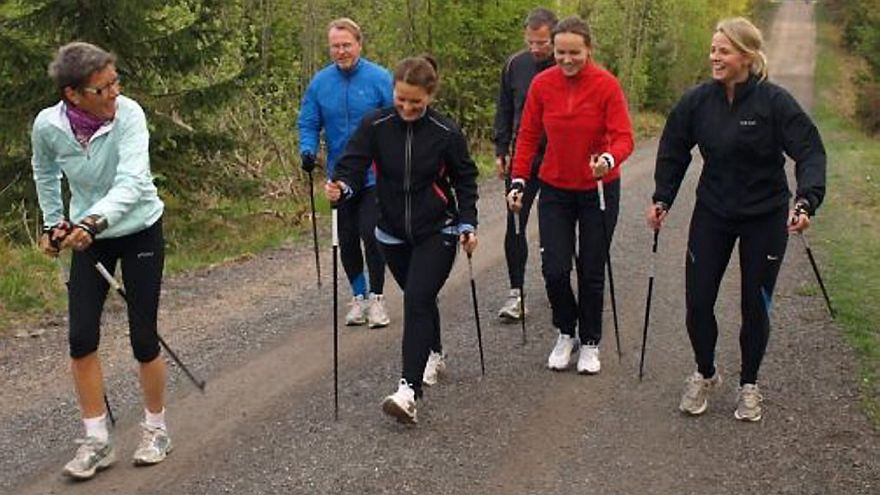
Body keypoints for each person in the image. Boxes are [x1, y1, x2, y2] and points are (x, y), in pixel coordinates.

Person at [647, 17, 826, 422]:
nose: (714, 57)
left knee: (754, 305)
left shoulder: (774, 103)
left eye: (723, 51)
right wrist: (663, 197)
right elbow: (674, 148)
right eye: (712, 50)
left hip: (764, 215)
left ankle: (749, 384)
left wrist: (806, 201)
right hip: (713, 211)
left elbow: (811, 152)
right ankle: (706, 372)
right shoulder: (698, 101)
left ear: (746, 56)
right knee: (697, 302)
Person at [31, 42, 172, 479]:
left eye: (115, 81)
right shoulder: (48, 126)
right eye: (103, 87)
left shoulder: (129, 114)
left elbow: (132, 181)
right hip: (90, 238)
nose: (115, 91)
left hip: (138, 229)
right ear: (74, 94)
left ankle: (155, 428)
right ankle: (97, 439)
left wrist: (89, 221)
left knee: (144, 339)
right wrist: (56, 224)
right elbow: (44, 170)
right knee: (80, 338)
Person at [326, 56, 479, 424]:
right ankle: (434, 353)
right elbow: (352, 164)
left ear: (430, 95)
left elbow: (465, 178)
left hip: (437, 228)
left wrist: (468, 223)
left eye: (416, 101)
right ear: (393, 91)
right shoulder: (375, 125)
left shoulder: (445, 132)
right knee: (419, 297)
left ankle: (408, 391)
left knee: (417, 299)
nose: (408, 107)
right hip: (390, 232)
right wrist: (342, 187)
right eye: (401, 99)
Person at [507, 16, 634, 375]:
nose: (566, 59)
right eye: (560, 52)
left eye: (574, 52)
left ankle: (590, 341)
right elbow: (528, 136)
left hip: (598, 188)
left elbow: (624, 136)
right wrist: (518, 180)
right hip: (555, 189)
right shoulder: (543, 85)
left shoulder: (606, 85)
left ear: (588, 50)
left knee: (592, 269)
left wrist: (609, 158)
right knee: (555, 270)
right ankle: (567, 331)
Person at [298, 17, 393, 328]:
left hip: (375, 175)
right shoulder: (320, 83)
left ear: (359, 44)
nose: (341, 51)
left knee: (371, 234)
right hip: (340, 177)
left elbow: (397, 119)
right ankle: (359, 296)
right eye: (335, 46)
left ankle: (378, 299)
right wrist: (308, 150)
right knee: (347, 238)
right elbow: (309, 122)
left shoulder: (380, 78)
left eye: (346, 45)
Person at [493, 7, 557, 322]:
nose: (536, 48)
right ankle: (516, 293)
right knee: (515, 222)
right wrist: (500, 147)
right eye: (531, 41)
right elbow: (504, 108)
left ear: (555, 37)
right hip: (523, 157)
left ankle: (562, 284)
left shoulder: (567, 62)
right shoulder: (514, 65)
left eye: (542, 42)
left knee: (557, 225)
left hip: (560, 157)